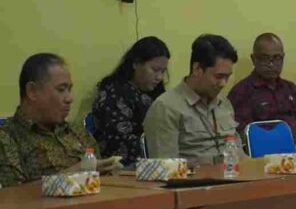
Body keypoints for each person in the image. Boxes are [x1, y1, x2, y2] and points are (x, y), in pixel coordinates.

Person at [0, 53, 119, 187]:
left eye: (69, 89)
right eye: (61, 89)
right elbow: (12, 197)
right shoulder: (7, 137)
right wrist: (75, 173)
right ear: (32, 91)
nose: (69, 98)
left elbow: (100, 183)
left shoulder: (77, 132)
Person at [143, 34, 239, 165]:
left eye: (227, 77)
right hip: (193, 182)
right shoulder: (166, 107)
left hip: (234, 178)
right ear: (197, 69)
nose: (223, 83)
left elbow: (240, 156)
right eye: (219, 76)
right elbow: (166, 168)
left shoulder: (224, 104)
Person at [92, 37, 171, 165]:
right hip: (125, 166)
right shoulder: (112, 95)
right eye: (155, 70)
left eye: (163, 71)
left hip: (157, 160)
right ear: (136, 63)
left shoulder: (155, 94)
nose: (159, 77)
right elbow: (119, 142)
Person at [228, 33, 296, 141]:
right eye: (265, 58)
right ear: (254, 59)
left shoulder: (291, 89)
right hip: (266, 153)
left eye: (277, 58)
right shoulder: (242, 92)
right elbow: (243, 136)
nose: (271, 64)